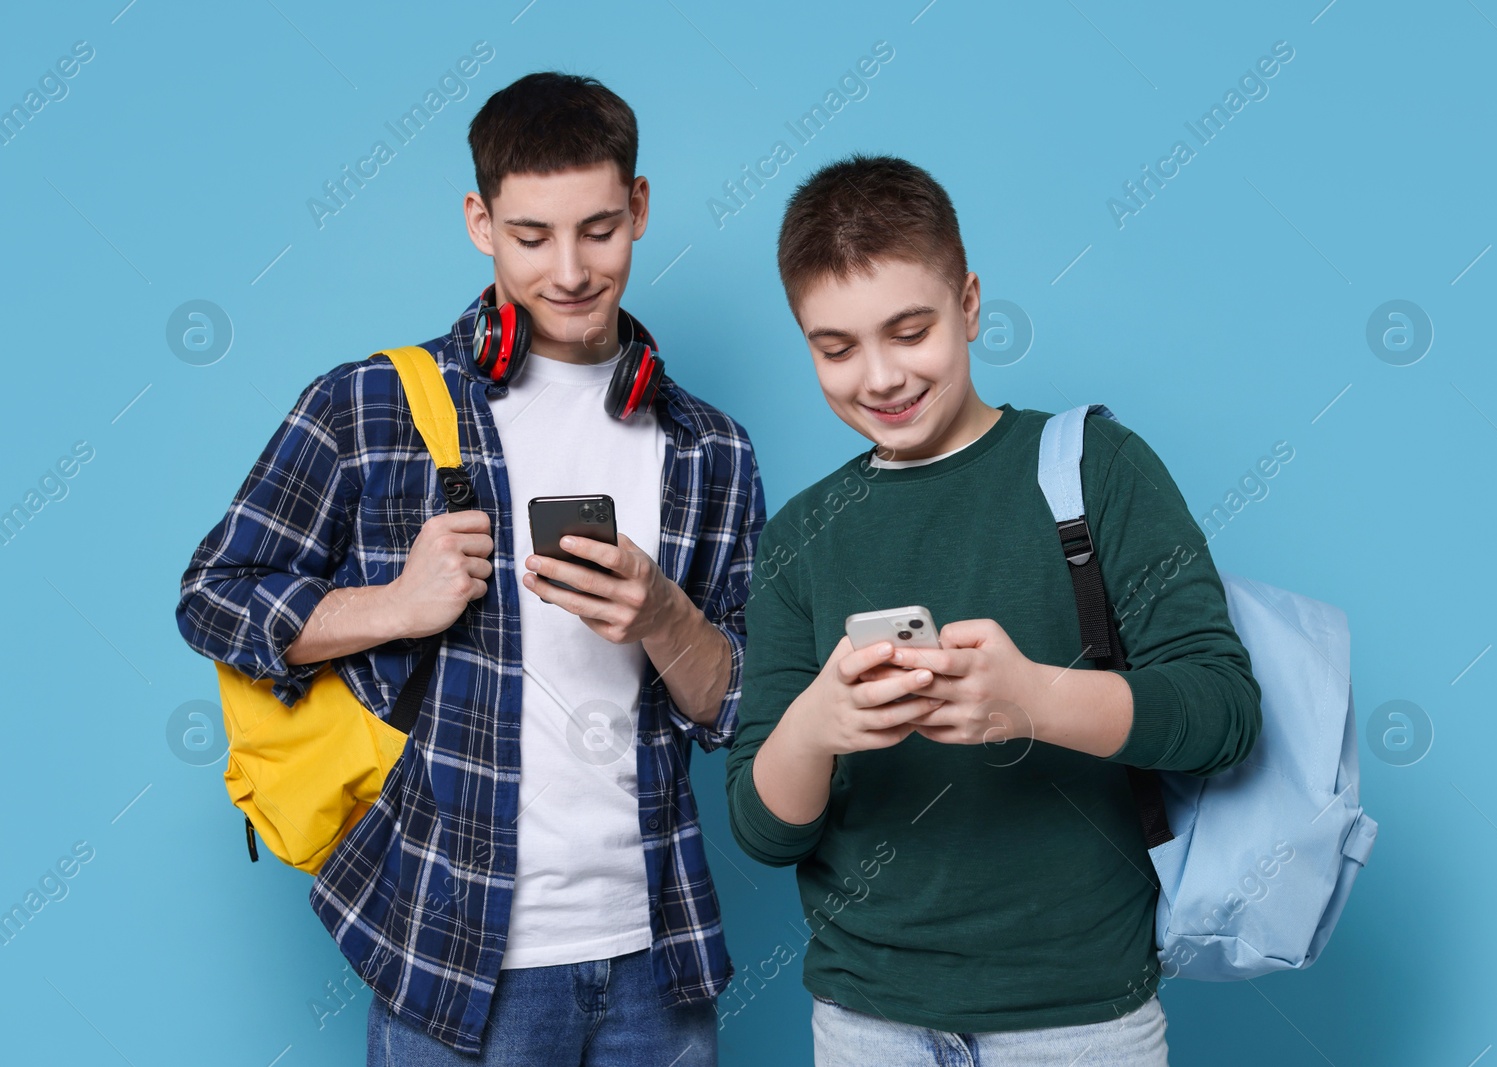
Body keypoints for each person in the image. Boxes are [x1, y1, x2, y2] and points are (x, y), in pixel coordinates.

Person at [176, 72, 764, 1065]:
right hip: (453, 965)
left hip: (658, 963)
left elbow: (746, 703)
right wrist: (396, 605)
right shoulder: (372, 405)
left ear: (641, 210)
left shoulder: (710, 448)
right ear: (478, 221)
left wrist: (663, 615)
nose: (570, 269)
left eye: (599, 229)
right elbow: (212, 598)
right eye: (531, 235)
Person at [724, 154, 1262, 1066]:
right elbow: (764, 829)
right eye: (836, 347)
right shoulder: (801, 536)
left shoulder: (1095, 467)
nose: (882, 376)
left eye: (910, 330)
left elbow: (1223, 713)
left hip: (1082, 1021)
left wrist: (1035, 701)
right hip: (867, 1025)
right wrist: (816, 724)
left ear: (969, 303)